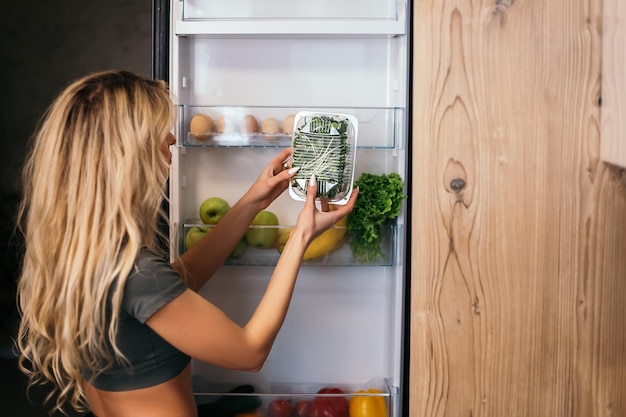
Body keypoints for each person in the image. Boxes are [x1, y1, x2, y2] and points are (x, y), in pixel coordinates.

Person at [15, 70, 357, 417]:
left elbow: (173, 285)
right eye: (158, 132)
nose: (172, 140)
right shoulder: (139, 273)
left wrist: (252, 201)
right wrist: (300, 237)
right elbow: (250, 352)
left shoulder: (83, 252)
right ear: (128, 155)